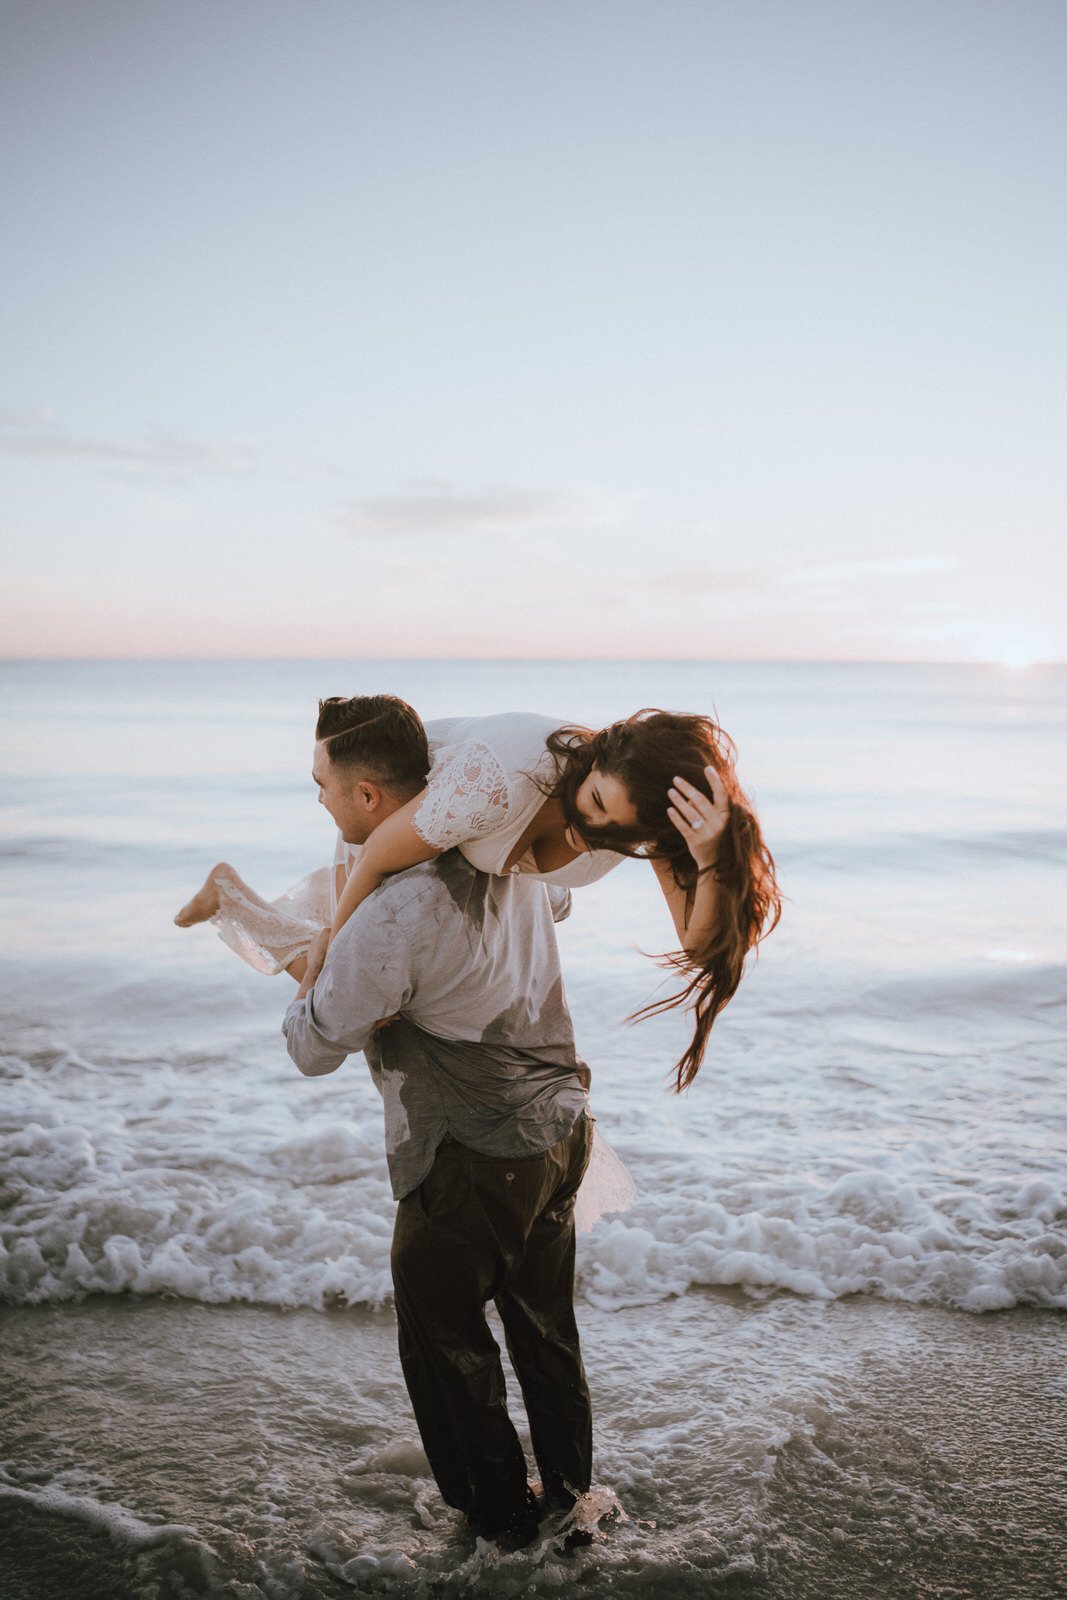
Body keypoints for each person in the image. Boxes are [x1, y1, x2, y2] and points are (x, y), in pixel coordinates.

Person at [282, 698, 598, 1547]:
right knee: (544, 1330)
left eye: (323, 786)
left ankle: (498, 1531)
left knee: (449, 1354)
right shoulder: (508, 855)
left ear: (371, 798)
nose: (317, 800)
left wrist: (315, 969)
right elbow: (556, 904)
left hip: (468, 1159)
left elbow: (310, 1047)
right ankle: (573, 1500)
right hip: (562, 1132)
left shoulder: (390, 916)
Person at [177, 697, 781, 1090]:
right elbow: (383, 848)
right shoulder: (501, 777)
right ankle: (231, 899)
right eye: (596, 800)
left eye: (620, 833)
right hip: (397, 816)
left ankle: (232, 899)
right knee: (347, 980)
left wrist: (709, 860)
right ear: (599, 755)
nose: (594, 828)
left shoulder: (640, 819)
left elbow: (700, 947)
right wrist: (337, 941)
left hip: (485, 855)